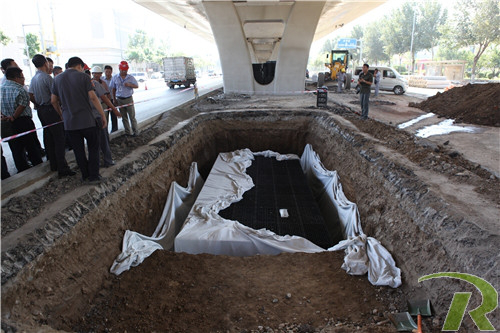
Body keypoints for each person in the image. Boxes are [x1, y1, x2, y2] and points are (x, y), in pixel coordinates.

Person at [51, 56, 107, 184]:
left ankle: (85, 175)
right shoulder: (84, 77)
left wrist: (61, 114)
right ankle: (94, 176)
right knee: (93, 147)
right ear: (80, 66)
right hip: (87, 121)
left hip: (70, 123)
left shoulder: (57, 79)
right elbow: (93, 97)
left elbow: (53, 100)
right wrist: (102, 115)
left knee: (78, 150)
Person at [29, 54, 75, 178]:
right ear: (45, 63)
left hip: (41, 110)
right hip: (51, 110)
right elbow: (55, 97)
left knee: (49, 138)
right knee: (59, 139)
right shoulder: (47, 78)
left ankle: (53, 164)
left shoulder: (34, 79)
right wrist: (60, 113)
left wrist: (38, 103)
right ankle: (63, 168)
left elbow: (30, 95)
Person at [0, 67, 43, 172]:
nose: (23, 80)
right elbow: (22, 105)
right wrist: (14, 116)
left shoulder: (1, 88)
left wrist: (4, 115)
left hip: (7, 122)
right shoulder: (20, 89)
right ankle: (38, 167)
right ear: (15, 78)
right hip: (22, 121)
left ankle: (22, 168)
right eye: (22, 78)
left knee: (15, 148)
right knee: (31, 145)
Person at [90, 66, 121, 167]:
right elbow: (103, 98)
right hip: (96, 115)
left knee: (94, 142)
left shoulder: (77, 85)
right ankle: (107, 161)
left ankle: (96, 164)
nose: (96, 75)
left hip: (87, 118)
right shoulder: (94, 84)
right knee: (102, 139)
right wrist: (114, 109)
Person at [109, 61, 139, 136]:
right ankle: (128, 132)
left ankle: (136, 132)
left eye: (125, 70)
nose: (124, 72)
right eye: (122, 70)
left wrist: (129, 85)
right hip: (119, 99)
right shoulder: (115, 78)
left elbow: (136, 86)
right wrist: (114, 99)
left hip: (128, 99)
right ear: (119, 69)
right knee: (124, 117)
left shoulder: (130, 77)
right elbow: (113, 89)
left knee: (132, 117)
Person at [100, 65, 118, 132]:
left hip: (112, 99)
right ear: (104, 71)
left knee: (113, 115)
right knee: (105, 115)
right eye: (106, 71)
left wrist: (115, 99)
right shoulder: (101, 80)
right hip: (104, 100)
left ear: (111, 72)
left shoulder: (114, 79)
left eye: (109, 72)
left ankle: (114, 130)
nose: (107, 73)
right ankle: (105, 131)